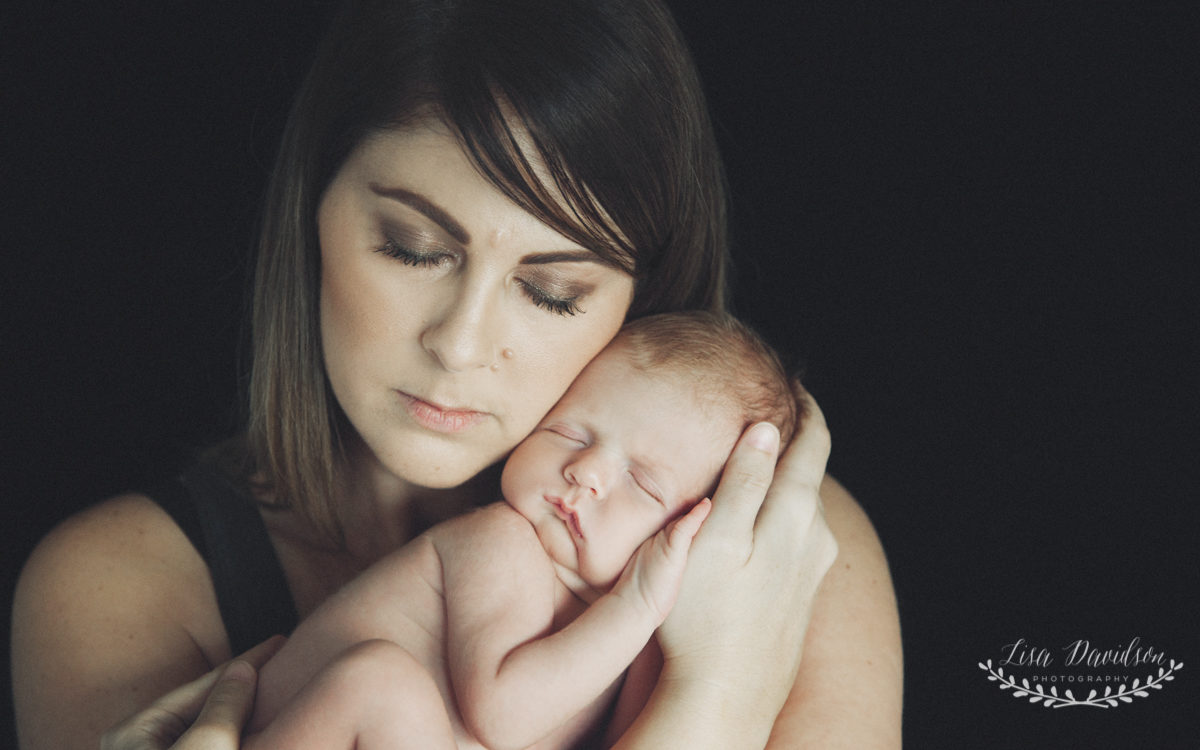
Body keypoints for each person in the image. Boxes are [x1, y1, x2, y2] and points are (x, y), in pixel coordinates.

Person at [12, 1, 903, 748]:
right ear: (313, 211)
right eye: (415, 248)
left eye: (551, 292)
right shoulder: (115, 588)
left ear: (642, 301)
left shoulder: (787, 544)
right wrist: (713, 709)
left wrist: (715, 684)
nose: (463, 343)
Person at [243, 311, 799, 750]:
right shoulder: (501, 542)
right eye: (569, 432)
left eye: (644, 485)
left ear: (699, 528)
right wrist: (639, 602)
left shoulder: (624, 633)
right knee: (380, 683)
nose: (587, 472)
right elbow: (504, 716)